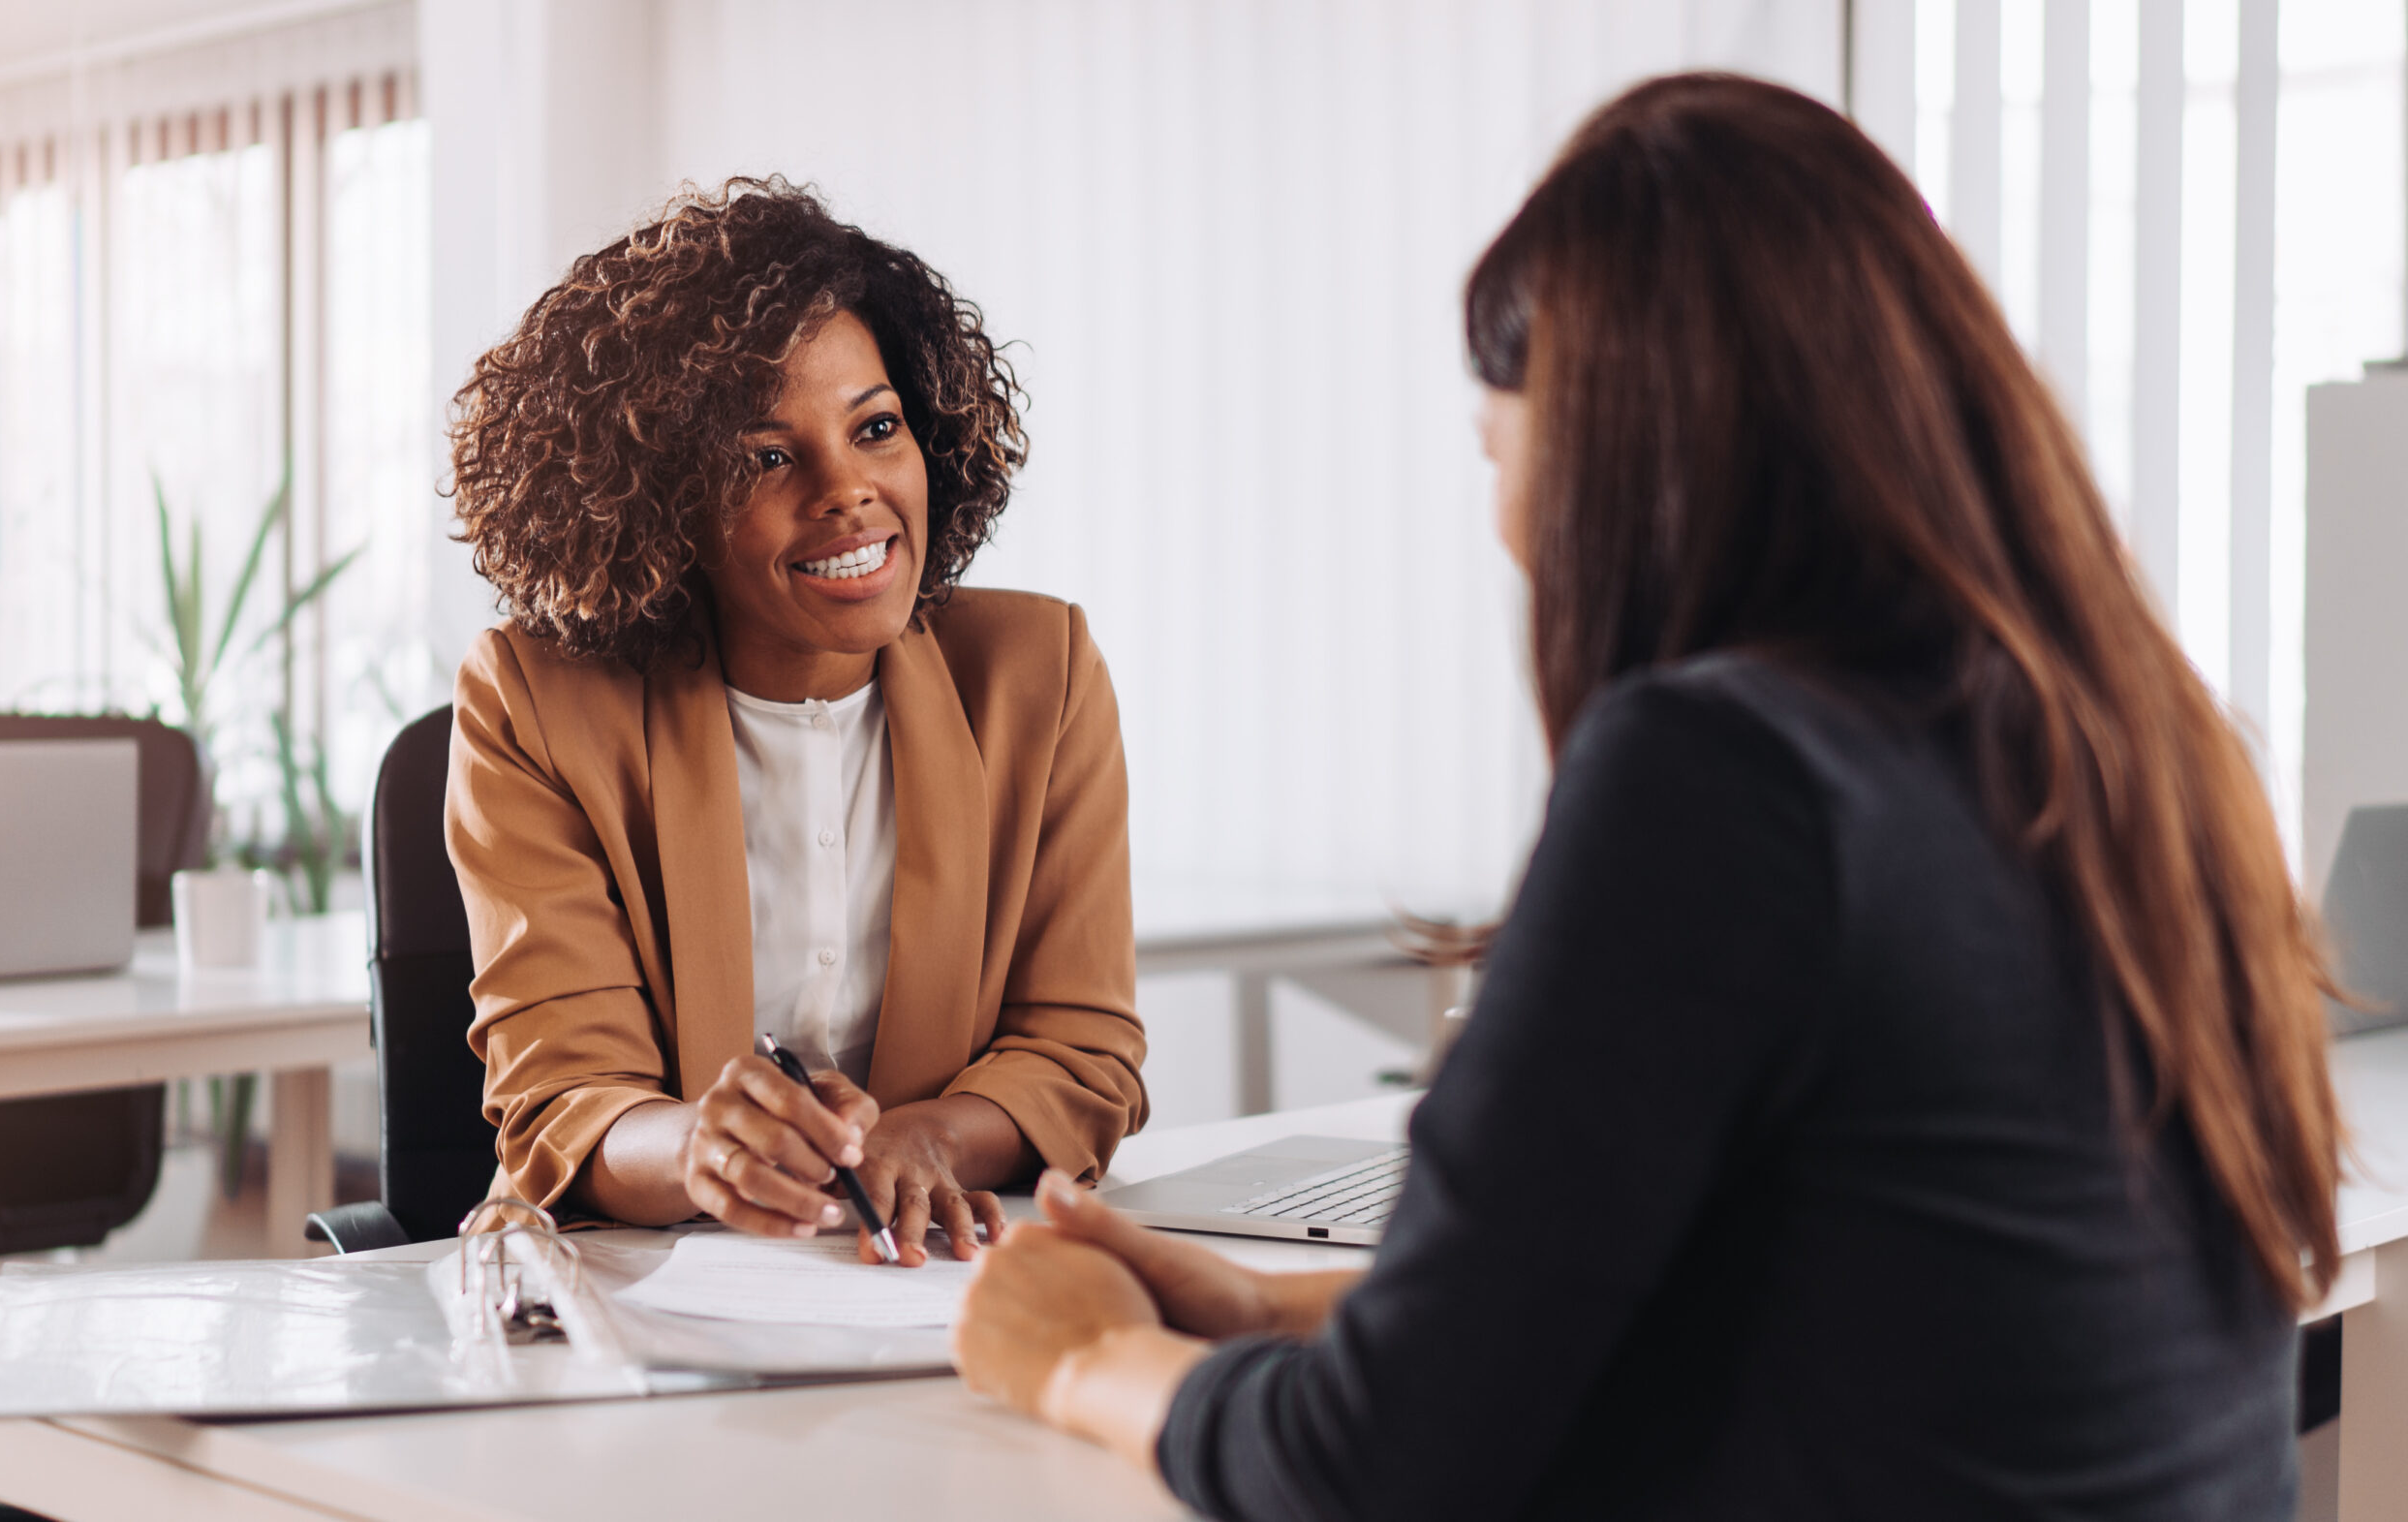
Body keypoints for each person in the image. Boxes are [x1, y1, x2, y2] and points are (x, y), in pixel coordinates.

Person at [952, 72, 2339, 1518]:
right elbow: (1819, 1307)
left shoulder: (1727, 777)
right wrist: (1257, 1306)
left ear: (1618, 450)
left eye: (1500, 450)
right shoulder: (2155, 751)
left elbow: (1379, 1470)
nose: (1507, 535)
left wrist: (1084, 1355)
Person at [444, 178, 1146, 1265]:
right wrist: (698, 1149)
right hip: (635, 1294)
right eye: (767, 456)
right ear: (661, 498)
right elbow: (565, 1096)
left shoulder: (1035, 674)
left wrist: (928, 1138)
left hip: (929, 1281)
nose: (848, 490)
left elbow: (1081, 1051)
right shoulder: (533, 700)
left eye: (876, 428)